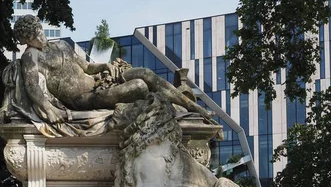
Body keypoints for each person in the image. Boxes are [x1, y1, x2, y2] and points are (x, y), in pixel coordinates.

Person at [14, 15, 211, 125]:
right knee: (139, 87)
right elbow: (32, 86)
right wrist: (49, 109)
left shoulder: (62, 45)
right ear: (25, 41)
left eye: (38, 31)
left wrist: (104, 65)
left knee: (146, 73)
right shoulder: (31, 56)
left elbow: (88, 67)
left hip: (99, 81)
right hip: (85, 99)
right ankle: (166, 109)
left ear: (41, 27)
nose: (38, 38)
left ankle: (192, 106)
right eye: (32, 37)